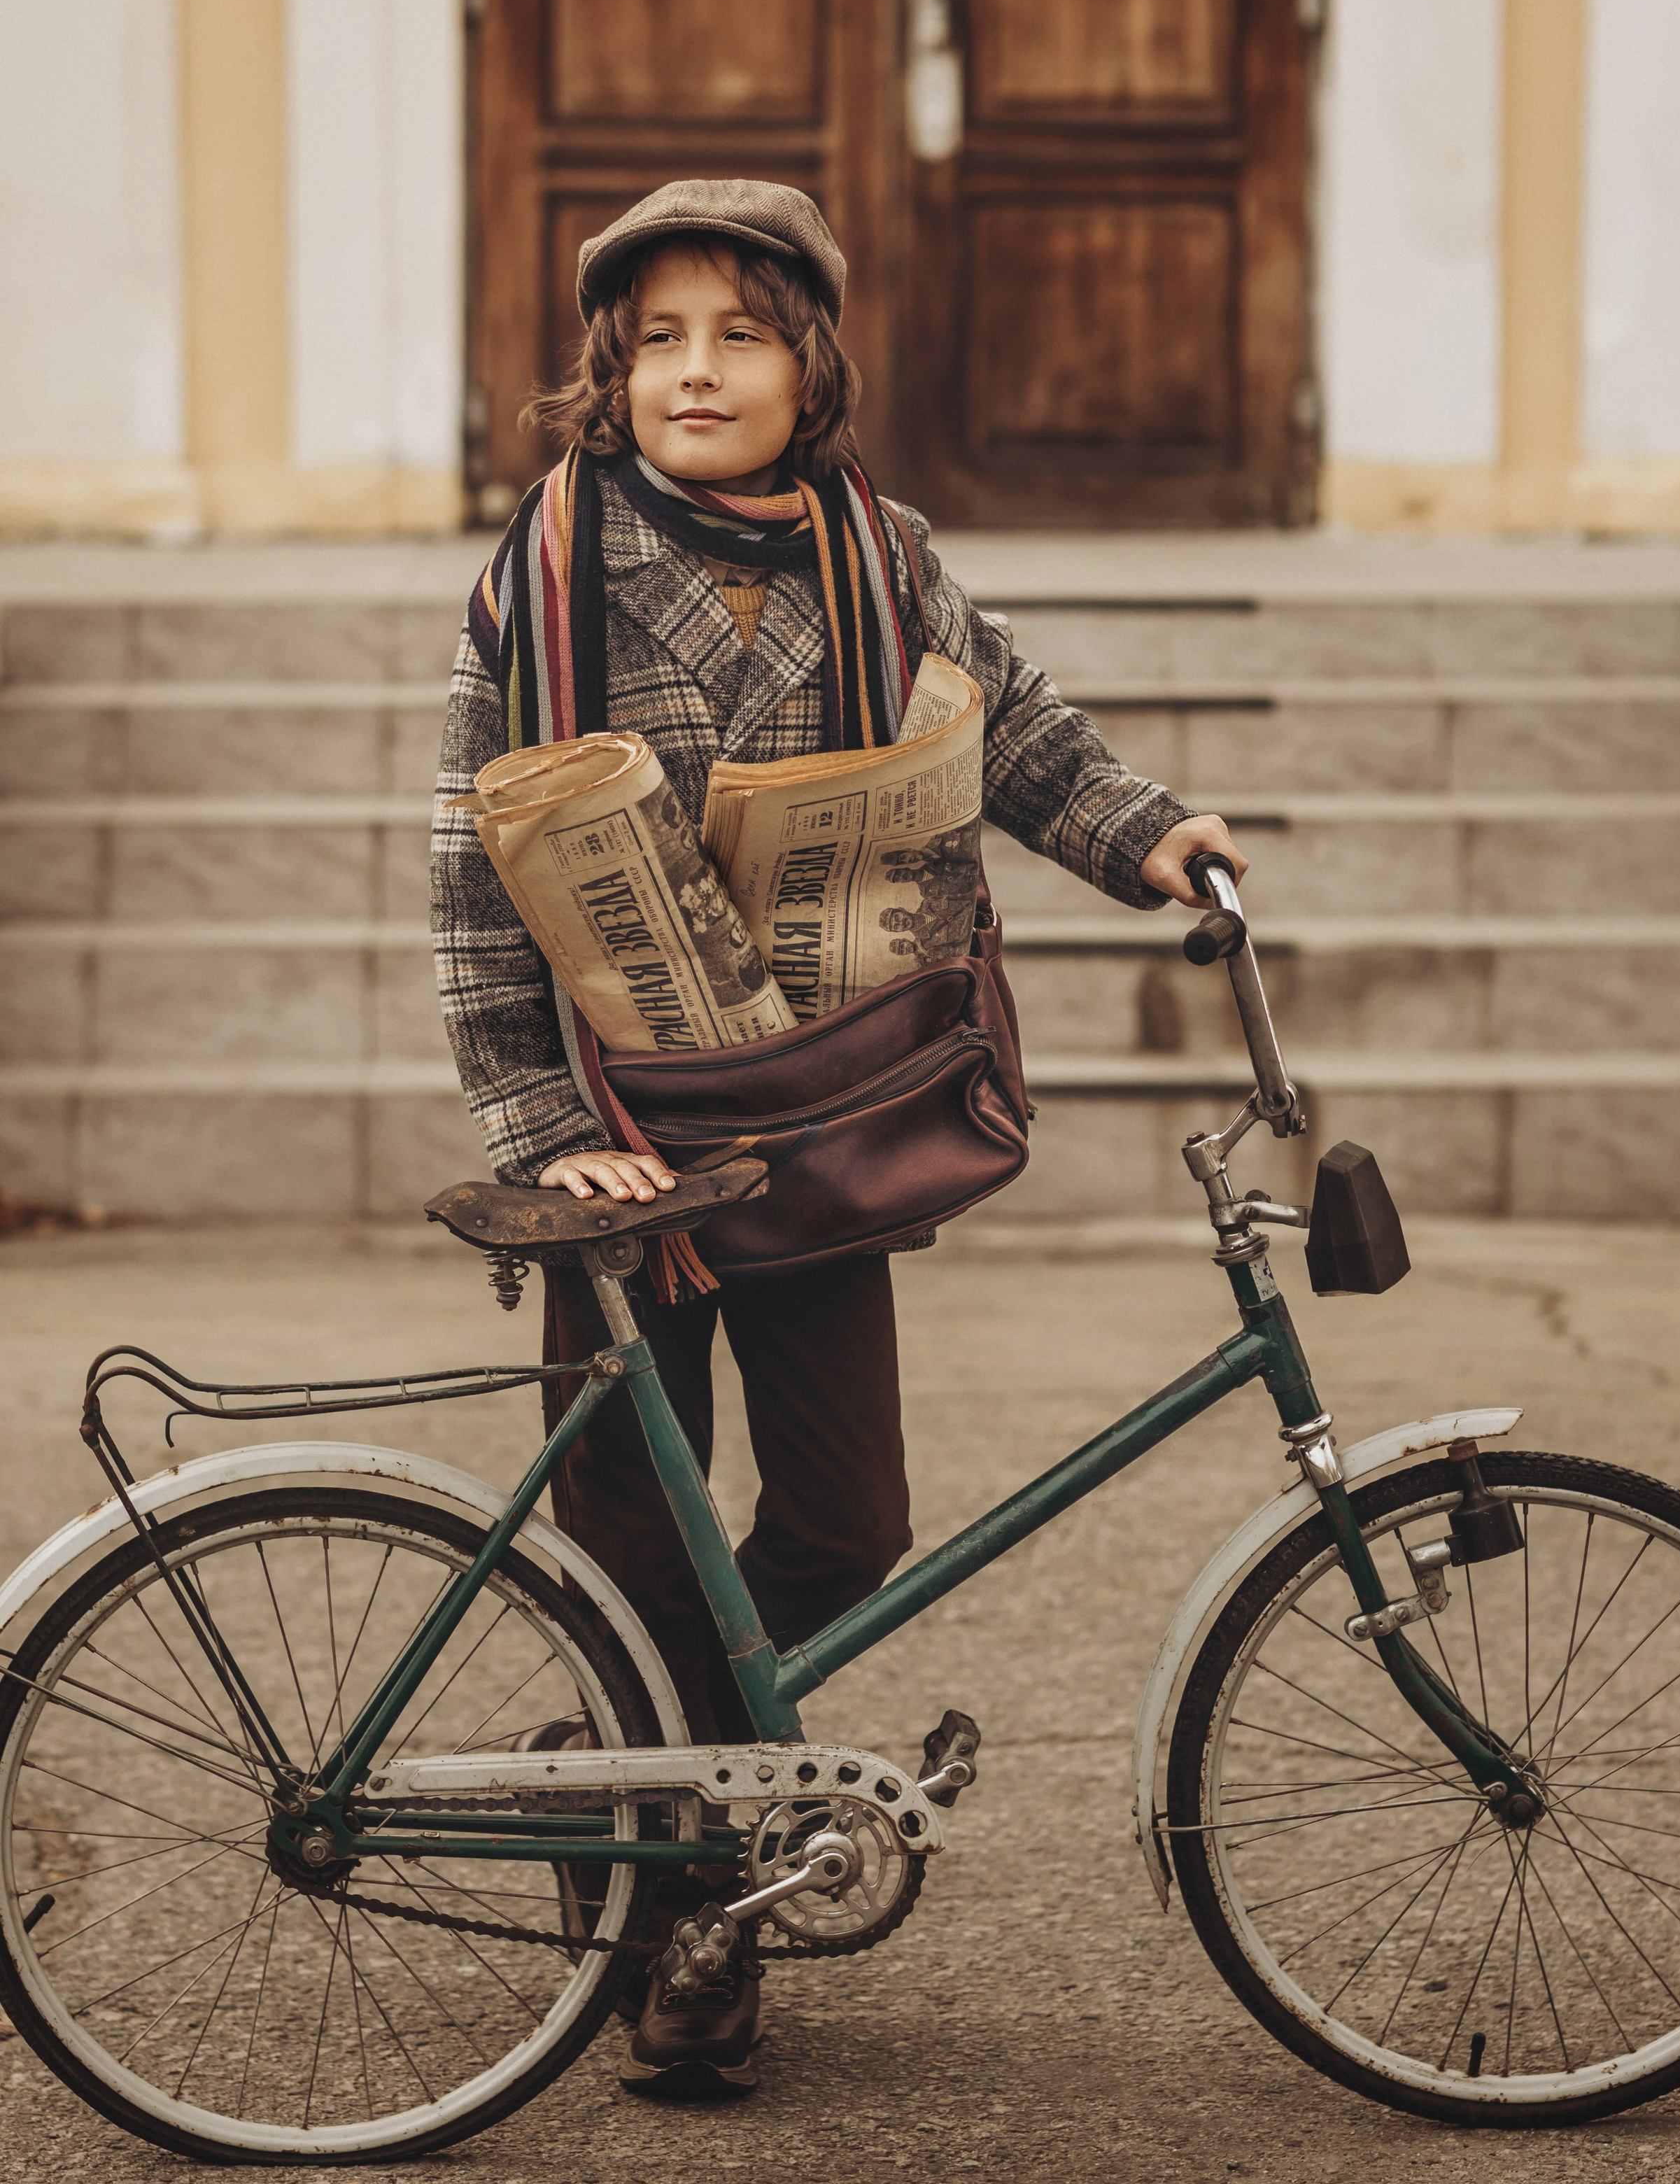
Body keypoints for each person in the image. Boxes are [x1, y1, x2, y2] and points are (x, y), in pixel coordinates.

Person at [432, 178, 1244, 2098]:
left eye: (742, 333)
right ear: (607, 373)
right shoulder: (539, 577)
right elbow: (476, 862)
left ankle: (627, 1763)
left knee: (846, 1526)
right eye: (656, 342)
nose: (696, 372)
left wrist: (1149, 834)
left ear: (815, 360)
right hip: (625, 1148)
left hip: (821, 1118)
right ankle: (683, 1918)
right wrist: (543, 1121)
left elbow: (1017, 729)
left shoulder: (881, 556)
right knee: (632, 1527)